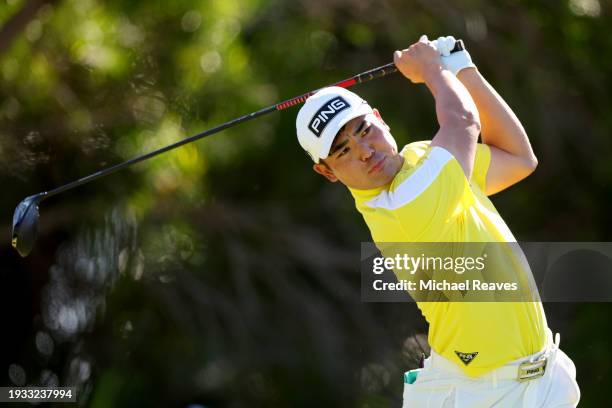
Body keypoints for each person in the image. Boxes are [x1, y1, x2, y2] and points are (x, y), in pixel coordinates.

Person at [295, 35, 580, 407]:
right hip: (479, 395)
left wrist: (462, 67)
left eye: (363, 130)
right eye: (343, 151)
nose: (365, 151)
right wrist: (432, 69)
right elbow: (462, 120)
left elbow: (518, 157)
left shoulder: (421, 158)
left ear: (379, 118)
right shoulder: (400, 208)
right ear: (328, 172)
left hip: (539, 380)